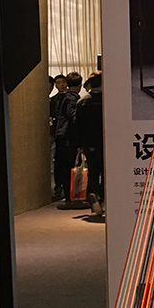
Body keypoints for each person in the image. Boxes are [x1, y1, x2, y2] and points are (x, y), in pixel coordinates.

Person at [51, 72, 83, 202]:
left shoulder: (66, 97)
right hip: (67, 137)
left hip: (62, 135)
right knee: (68, 165)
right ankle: (69, 196)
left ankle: (68, 194)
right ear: (80, 85)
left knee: (64, 165)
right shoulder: (71, 98)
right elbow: (72, 116)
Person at [75, 72, 104, 216]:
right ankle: (103, 199)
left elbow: (77, 125)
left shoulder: (82, 102)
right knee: (106, 172)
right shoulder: (107, 100)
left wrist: (80, 144)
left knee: (93, 171)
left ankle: (93, 197)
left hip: (89, 143)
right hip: (106, 141)